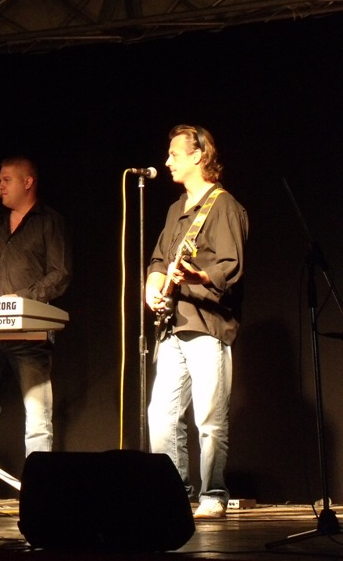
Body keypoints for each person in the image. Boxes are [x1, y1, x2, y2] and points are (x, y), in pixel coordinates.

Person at [0, 156, 72, 504]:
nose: (0, 186)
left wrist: (22, 299)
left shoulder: (49, 221)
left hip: (29, 334)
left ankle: (39, 489)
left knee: (37, 416)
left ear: (27, 182)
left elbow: (60, 274)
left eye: (6, 179)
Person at [145, 125, 248, 520]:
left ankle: (213, 494)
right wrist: (152, 288)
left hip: (207, 325)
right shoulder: (176, 210)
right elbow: (159, 259)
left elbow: (230, 268)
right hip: (173, 325)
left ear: (198, 155)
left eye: (174, 154)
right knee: (161, 416)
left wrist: (198, 276)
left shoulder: (224, 205)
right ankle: (174, 494)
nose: (167, 161)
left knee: (209, 418)